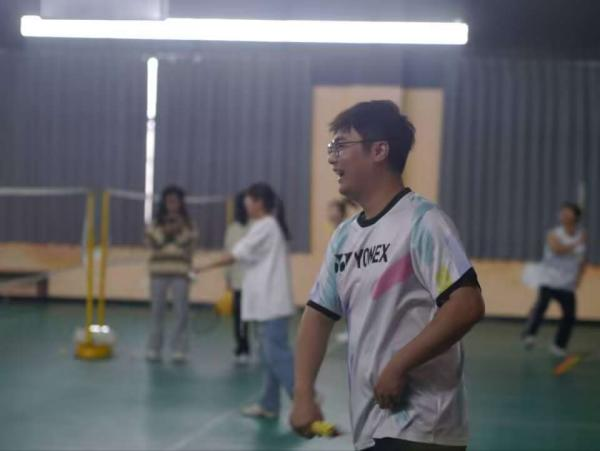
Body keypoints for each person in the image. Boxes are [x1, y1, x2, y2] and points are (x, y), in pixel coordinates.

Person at [290, 100, 485, 451]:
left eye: (341, 146)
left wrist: (399, 365)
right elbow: (317, 315)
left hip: (422, 424)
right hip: (371, 422)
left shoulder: (424, 222)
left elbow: (466, 304)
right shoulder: (345, 236)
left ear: (379, 151)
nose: (332, 158)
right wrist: (303, 393)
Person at [195, 182, 295, 418]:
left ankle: (305, 399)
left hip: (273, 305)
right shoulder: (262, 226)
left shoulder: (266, 226)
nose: (245, 206)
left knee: (277, 355)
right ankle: (269, 405)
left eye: (248, 201)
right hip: (265, 305)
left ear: (259, 202)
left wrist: (201, 267)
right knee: (268, 357)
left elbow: (235, 255)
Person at [522, 202, 587, 357]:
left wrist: (579, 277)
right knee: (541, 307)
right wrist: (576, 243)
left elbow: (582, 259)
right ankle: (530, 334)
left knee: (569, 316)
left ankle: (559, 345)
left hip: (567, 283)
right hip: (550, 279)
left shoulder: (581, 234)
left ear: (575, 216)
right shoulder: (554, 234)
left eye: (568, 212)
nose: (563, 215)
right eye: (562, 212)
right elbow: (557, 249)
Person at [145, 185, 196, 363]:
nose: (172, 204)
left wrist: (179, 229)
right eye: (169, 201)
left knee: (181, 312)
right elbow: (154, 243)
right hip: (158, 272)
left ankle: (179, 350)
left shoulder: (189, 224)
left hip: (180, 273)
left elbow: (189, 245)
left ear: (181, 203)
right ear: (164, 203)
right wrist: (167, 231)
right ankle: (154, 348)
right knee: (156, 312)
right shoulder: (154, 223)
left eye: (176, 201)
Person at [224, 192, 251, 364]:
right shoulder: (232, 229)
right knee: (239, 317)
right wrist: (227, 277)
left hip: (257, 282)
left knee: (258, 318)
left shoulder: (258, 226)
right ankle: (242, 347)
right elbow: (228, 254)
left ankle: (262, 347)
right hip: (238, 282)